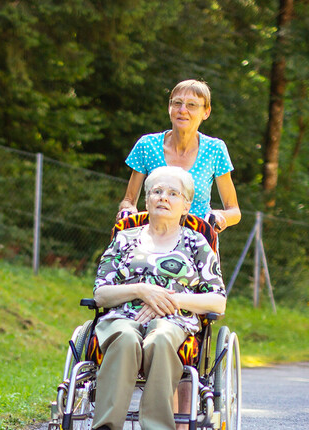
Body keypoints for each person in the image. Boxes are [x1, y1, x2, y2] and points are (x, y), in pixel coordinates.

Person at [93, 166, 227, 430]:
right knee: (126, 336)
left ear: (186, 204)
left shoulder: (197, 243)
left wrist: (172, 300)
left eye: (173, 193)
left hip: (174, 321)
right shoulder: (124, 238)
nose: (163, 197)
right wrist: (141, 290)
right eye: (157, 191)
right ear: (147, 200)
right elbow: (100, 294)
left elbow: (217, 301)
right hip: (122, 317)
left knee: (161, 337)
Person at [116, 80, 241, 233]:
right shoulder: (147, 145)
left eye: (192, 105)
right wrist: (127, 211)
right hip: (154, 239)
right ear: (170, 107)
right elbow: (129, 201)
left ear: (206, 112)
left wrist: (220, 216)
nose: (183, 110)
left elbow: (234, 211)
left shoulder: (215, 149)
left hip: (198, 242)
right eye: (177, 103)